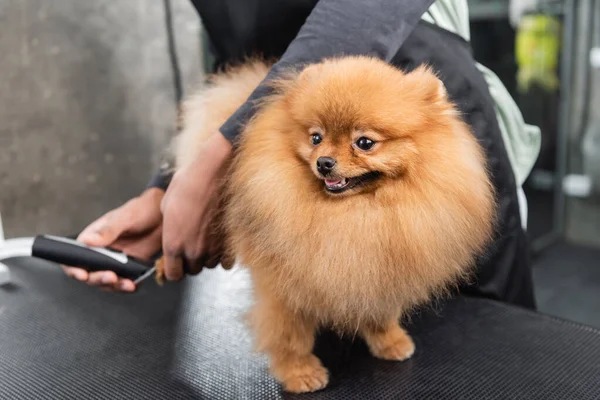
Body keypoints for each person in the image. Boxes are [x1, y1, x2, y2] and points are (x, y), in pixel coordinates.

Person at [63, 0, 540, 309]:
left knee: (475, 348)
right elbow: (240, 60)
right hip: (282, 129)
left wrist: (215, 169)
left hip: (411, 102)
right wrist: (167, 191)